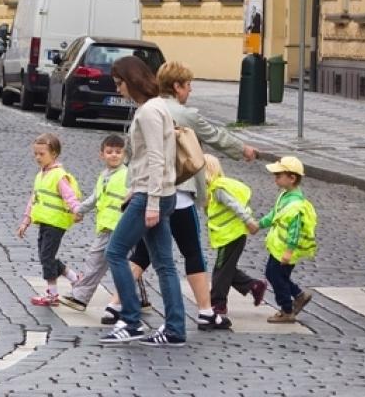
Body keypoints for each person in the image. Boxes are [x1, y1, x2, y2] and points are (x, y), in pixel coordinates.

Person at [103, 61, 263, 330]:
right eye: (188, 85)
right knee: (189, 254)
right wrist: (243, 149)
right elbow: (214, 137)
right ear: (177, 87)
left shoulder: (149, 108)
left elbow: (135, 155)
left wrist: (137, 189)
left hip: (153, 193)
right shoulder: (177, 113)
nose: (189, 91)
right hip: (177, 194)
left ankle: (118, 304)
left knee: (145, 254)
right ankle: (202, 311)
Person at [100, 55, 186, 347]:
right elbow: (146, 159)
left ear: (131, 81)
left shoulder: (149, 111)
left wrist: (149, 201)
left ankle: (132, 320)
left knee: (114, 252)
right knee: (164, 264)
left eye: (119, 83)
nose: (118, 89)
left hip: (153, 195)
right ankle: (175, 329)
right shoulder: (157, 106)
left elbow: (155, 158)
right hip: (157, 193)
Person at [60, 135, 128, 312]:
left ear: (124, 154)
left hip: (122, 226)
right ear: (102, 155)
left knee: (104, 261)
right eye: (109, 152)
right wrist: (80, 210)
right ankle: (81, 297)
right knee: (106, 261)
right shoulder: (104, 175)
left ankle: (81, 297)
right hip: (107, 226)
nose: (114, 155)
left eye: (118, 152)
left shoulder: (127, 175)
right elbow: (96, 197)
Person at [16, 133, 82, 306]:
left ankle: (52, 295)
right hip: (45, 222)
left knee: (46, 256)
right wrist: (26, 220)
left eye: (42, 154)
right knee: (46, 256)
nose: (38, 157)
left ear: (54, 154)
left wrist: (77, 210)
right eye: (35, 154)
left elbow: (70, 196)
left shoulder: (59, 175)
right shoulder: (41, 175)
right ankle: (75, 278)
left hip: (56, 222)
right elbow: (34, 198)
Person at [202, 154, 263, 327]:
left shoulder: (218, 189)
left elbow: (236, 205)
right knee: (226, 268)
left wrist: (249, 222)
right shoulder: (211, 191)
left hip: (233, 235)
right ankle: (254, 286)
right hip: (229, 236)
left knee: (221, 270)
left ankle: (218, 303)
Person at [254, 156, 316, 323]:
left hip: (285, 250)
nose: (275, 178)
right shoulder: (285, 196)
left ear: (292, 178)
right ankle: (299, 295)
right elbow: (275, 215)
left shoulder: (295, 204)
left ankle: (287, 310)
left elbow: (295, 231)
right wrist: (259, 224)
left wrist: (289, 251)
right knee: (274, 274)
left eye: (279, 175)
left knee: (276, 276)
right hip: (278, 247)